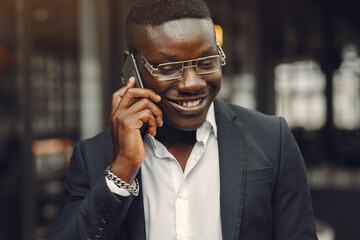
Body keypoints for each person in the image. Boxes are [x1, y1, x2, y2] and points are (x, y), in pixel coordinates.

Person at [50, 0, 318, 239]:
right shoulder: (93, 157)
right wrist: (123, 169)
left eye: (206, 61)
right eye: (167, 68)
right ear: (131, 66)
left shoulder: (272, 139)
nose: (192, 83)